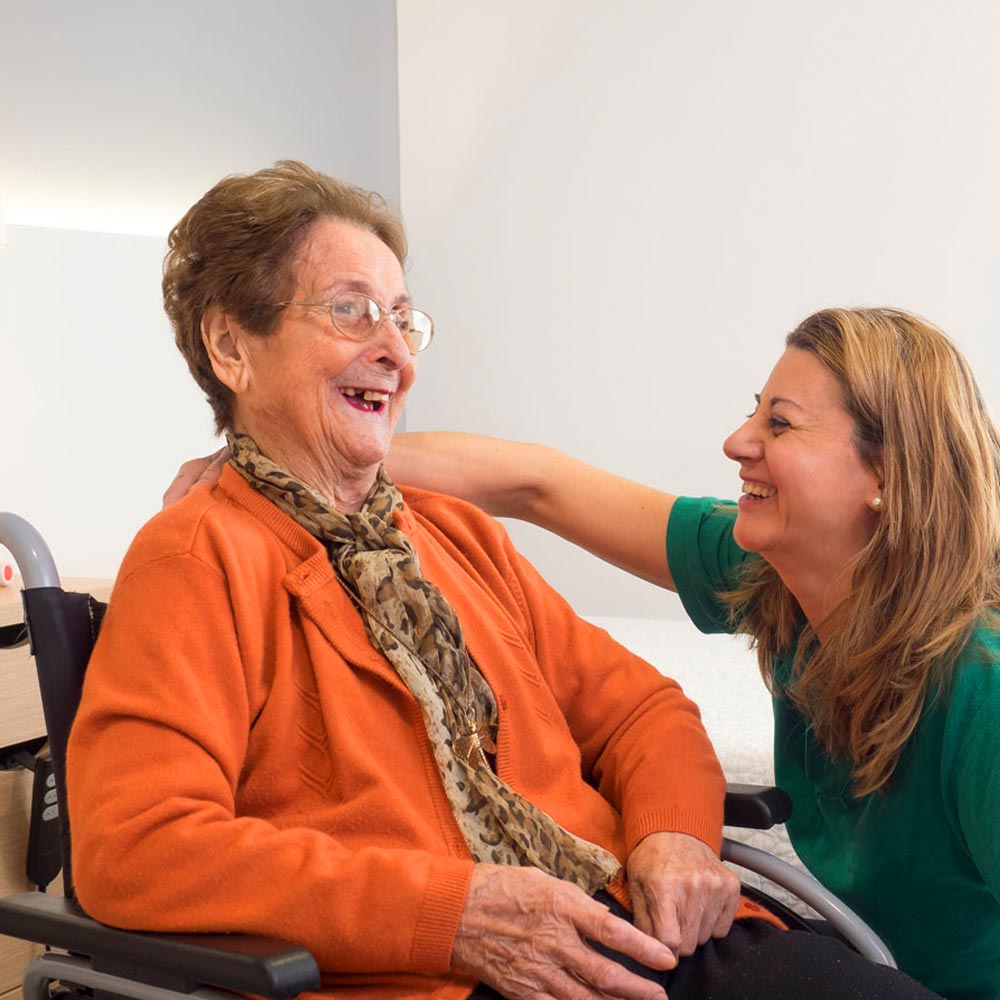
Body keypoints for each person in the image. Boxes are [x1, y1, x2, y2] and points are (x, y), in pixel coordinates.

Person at [91, 159, 939, 1000]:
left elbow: (643, 712)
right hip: (444, 974)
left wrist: (675, 837)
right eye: (351, 312)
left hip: (632, 932)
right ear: (230, 344)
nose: (394, 352)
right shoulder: (195, 558)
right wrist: (451, 913)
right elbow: (138, 844)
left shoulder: (451, 535)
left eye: (401, 318)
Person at [352, 307, 997, 1000]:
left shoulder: (979, 692)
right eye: (755, 413)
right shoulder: (773, 573)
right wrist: (301, 455)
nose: (737, 441)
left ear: (887, 476)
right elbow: (537, 483)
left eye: (780, 424)